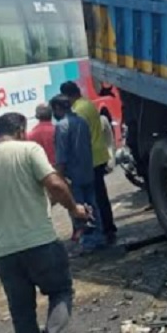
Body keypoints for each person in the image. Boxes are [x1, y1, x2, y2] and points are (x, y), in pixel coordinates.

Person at [0, 112, 93, 333]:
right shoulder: (29, 150)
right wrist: (75, 209)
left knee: (22, 312)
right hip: (40, 243)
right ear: (20, 131)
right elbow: (55, 184)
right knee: (61, 291)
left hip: (4, 253)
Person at [59, 82, 116, 243]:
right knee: (101, 196)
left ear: (67, 96)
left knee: (94, 199)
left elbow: (78, 138)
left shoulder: (78, 111)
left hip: (90, 158)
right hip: (98, 155)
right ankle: (108, 227)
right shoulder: (87, 104)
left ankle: (103, 230)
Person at [52, 96, 105, 253]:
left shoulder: (62, 126)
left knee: (78, 208)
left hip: (73, 174)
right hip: (87, 170)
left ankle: (88, 242)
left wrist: (59, 176)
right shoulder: (82, 121)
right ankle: (98, 236)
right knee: (92, 204)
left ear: (57, 108)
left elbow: (61, 155)